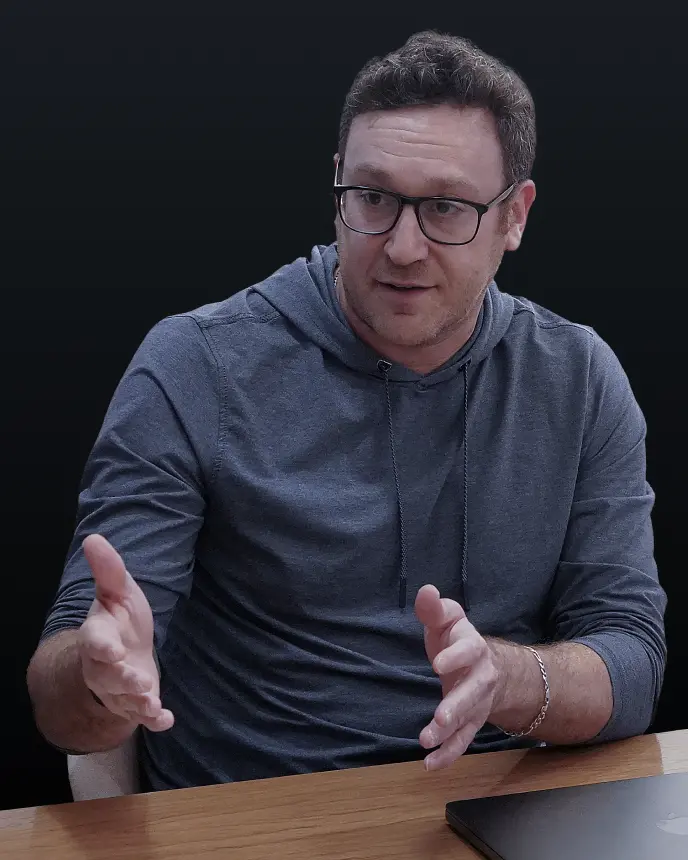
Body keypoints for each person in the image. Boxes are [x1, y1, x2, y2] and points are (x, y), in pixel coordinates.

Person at [27, 30, 666, 791]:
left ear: (514, 216)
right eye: (373, 198)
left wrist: (506, 677)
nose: (402, 247)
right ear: (338, 186)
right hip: (258, 813)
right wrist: (99, 680)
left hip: (495, 809)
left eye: (445, 208)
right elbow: (61, 701)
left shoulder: (578, 377)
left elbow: (631, 661)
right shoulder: (196, 364)